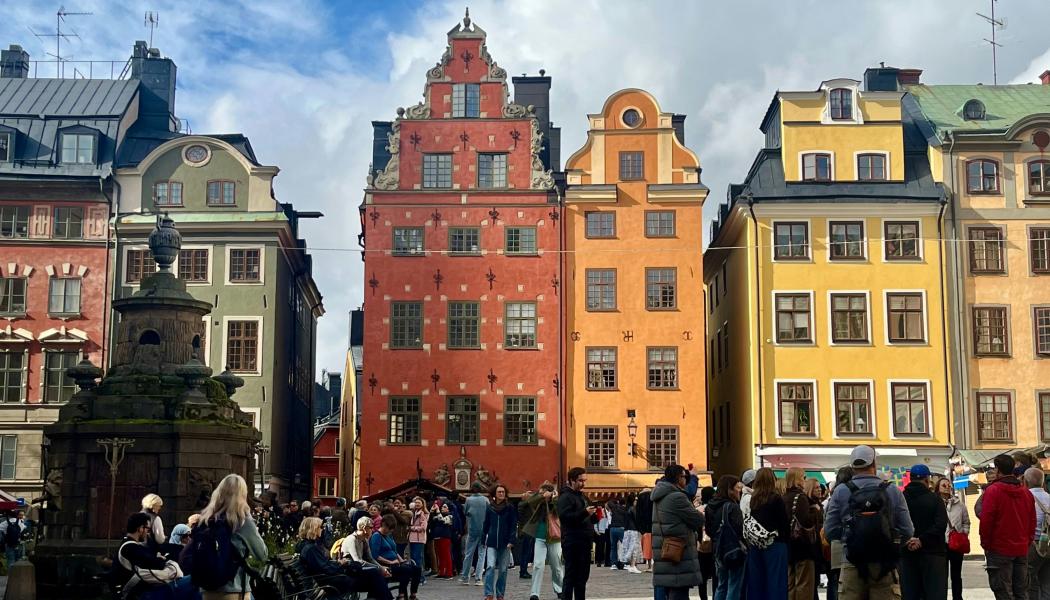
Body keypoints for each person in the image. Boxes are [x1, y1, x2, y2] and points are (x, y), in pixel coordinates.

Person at [825, 445, 914, 600]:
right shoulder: (892, 490)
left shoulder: (841, 491)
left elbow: (830, 530)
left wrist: (850, 538)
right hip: (884, 563)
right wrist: (891, 543)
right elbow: (907, 530)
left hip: (852, 561)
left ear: (852, 466)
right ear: (874, 463)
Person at [194, 473, 268, 600]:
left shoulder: (206, 519)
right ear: (242, 495)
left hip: (207, 591)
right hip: (234, 591)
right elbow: (262, 554)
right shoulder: (242, 521)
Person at [980, 454, 1036, 600]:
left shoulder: (993, 491)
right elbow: (1032, 521)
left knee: (1004, 592)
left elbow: (986, 521)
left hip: (999, 549)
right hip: (1021, 548)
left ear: (998, 469)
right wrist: (1027, 541)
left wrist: (986, 544)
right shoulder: (1026, 492)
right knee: (1022, 592)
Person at [298, 516, 389, 599]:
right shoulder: (311, 548)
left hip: (329, 579)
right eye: (320, 527)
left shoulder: (307, 545)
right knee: (374, 576)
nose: (322, 529)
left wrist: (339, 563)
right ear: (313, 529)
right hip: (333, 582)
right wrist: (340, 564)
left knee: (373, 575)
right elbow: (325, 568)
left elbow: (323, 566)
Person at [115, 512, 199, 600]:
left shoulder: (129, 545)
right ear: (140, 529)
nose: (148, 532)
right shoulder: (131, 547)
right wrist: (160, 559)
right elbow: (157, 564)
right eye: (148, 529)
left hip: (142, 589)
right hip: (138, 593)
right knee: (192, 582)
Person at [652, 464, 703, 600]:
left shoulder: (660, 495)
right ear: (678, 478)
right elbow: (697, 520)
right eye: (684, 476)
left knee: (671, 590)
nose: (686, 480)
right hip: (679, 551)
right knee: (678, 591)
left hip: (666, 547)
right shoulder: (677, 497)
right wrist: (700, 512)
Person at [899, 464, 948, 600]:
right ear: (927, 479)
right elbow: (940, 525)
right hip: (933, 553)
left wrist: (909, 539)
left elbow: (895, 524)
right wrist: (921, 540)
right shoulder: (935, 499)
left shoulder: (900, 498)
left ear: (911, 479)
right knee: (934, 594)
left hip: (907, 554)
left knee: (910, 594)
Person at [519, 483, 564, 600]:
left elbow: (559, 511)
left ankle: (560, 589)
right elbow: (530, 501)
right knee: (538, 565)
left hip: (554, 537)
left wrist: (553, 497)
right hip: (539, 536)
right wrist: (542, 496)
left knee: (556, 566)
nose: (540, 493)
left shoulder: (556, 500)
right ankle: (534, 593)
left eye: (542, 491)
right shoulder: (539, 501)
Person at [557, 467, 597, 600]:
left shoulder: (583, 497)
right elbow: (566, 518)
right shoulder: (565, 497)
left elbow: (588, 518)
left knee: (582, 578)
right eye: (580, 481)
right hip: (572, 542)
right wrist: (585, 512)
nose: (583, 484)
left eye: (584, 481)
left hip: (585, 542)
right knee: (571, 576)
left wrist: (594, 515)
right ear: (572, 480)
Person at [706, 475, 744, 600]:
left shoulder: (710, 506)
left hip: (718, 549)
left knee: (721, 584)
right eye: (737, 487)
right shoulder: (732, 507)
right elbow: (740, 529)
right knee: (734, 583)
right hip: (733, 549)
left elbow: (709, 530)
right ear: (730, 489)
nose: (739, 490)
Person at [782, 467, 817, 600]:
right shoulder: (801, 497)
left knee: (790, 583)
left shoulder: (783, 497)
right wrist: (815, 512)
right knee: (804, 584)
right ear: (797, 479)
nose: (805, 480)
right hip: (802, 546)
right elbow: (806, 521)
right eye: (803, 477)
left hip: (788, 546)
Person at [369, 514, 422, 600]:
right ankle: (401, 595)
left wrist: (401, 560)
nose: (390, 531)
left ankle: (413, 594)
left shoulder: (389, 535)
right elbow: (375, 555)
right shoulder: (376, 536)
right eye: (389, 529)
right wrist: (391, 562)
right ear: (383, 525)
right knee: (406, 570)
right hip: (386, 565)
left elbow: (394, 551)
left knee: (417, 569)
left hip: (396, 563)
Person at [341, 517, 396, 600]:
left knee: (383, 573)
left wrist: (382, 568)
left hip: (359, 570)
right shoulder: (351, 539)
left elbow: (370, 558)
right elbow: (357, 561)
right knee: (376, 572)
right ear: (364, 528)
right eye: (370, 527)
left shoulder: (364, 540)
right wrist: (379, 568)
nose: (373, 529)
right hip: (351, 571)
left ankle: (376, 597)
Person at [482, 484, 518, 600]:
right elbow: (486, 524)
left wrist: (512, 540)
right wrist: (483, 539)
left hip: (505, 542)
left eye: (503, 492)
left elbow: (513, 525)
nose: (501, 494)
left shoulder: (510, 508)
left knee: (503, 570)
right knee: (490, 566)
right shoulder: (489, 507)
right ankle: (489, 594)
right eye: (499, 492)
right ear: (495, 494)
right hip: (492, 542)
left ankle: (500, 594)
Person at [937, 475, 969, 600]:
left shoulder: (959, 504)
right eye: (943, 485)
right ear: (938, 488)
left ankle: (958, 597)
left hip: (956, 544)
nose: (947, 487)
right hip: (941, 544)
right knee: (942, 575)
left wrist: (963, 533)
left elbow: (966, 521)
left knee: (956, 575)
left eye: (948, 485)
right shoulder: (935, 503)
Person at [824, 467, 852, 600]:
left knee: (835, 581)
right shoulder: (854, 492)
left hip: (836, 543)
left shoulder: (834, 495)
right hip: (852, 544)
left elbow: (828, 522)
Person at [1026, 467, 1050, 600]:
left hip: (1033, 546)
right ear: (1042, 482)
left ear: (1026, 482)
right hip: (1049, 545)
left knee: (1030, 584)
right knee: (1047, 584)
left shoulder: (1025, 498)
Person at [461, 482, 490, 585]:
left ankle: (465, 577)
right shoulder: (485, 500)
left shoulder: (468, 500)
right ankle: (478, 578)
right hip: (483, 530)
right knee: (482, 554)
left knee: (469, 554)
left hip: (472, 530)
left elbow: (466, 512)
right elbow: (489, 514)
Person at [696, 487, 717, 600]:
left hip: (701, 547)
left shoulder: (698, 510)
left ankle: (703, 598)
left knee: (702, 578)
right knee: (715, 576)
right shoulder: (715, 509)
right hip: (714, 545)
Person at [429, 501, 455, 579]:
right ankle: (441, 572)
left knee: (446, 555)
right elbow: (431, 519)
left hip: (445, 537)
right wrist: (432, 511)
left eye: (445, 507)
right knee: (439, 556)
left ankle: (449, 572)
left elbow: (442, 520)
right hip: (437, 537)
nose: (442, 508)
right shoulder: (437, 515)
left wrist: (437, 511)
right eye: (442, 507)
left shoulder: (450, 516)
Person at [408, 496, 430, 583]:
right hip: (412, 539)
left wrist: (412, 528)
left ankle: (421, 578)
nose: (417, 504)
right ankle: (415, 576)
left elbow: (423, 527)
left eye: (418, 503)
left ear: (422, 504)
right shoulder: (414, 513)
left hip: (418, 539)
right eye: (416, 502)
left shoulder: (423, 514)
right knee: (414, 559)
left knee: (417, 559)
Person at [636, 486, 654, 572]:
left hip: (644, 528)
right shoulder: (652, 498)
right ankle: (652, 566)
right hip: (653, 525)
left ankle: (649, 565)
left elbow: (638, 515)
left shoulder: (640, 499)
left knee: (646, 546)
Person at [607, 498, 627, 571]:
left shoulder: (613, 508)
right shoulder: (624, 509)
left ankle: (613, 564)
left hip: (613, 528)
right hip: (621, 528)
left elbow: (608, 503)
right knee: (625, 546)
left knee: (613, 547)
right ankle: (625, 563)